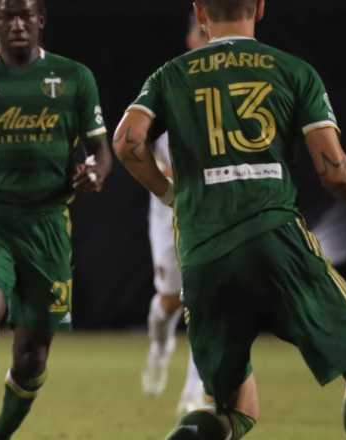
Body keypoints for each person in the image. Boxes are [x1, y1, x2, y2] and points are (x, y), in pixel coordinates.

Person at [113, 1, 346, 439]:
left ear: (199, 10)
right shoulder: (292, 70)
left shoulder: (170, 75)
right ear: (260, 8)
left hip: (204, 254)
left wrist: (171, 193)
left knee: (231, 411)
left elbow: (127, 143)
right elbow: (332, 170)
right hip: (274, 238)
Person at [0, 0, 112, 438]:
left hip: (48, 224)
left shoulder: (74, 78)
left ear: (41, 20)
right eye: (7, 16)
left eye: (26, 15)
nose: (17, 24)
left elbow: (101, 151)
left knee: (32, 358)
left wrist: (94, 173)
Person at [141, 14, 207, 415]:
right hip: (169, 207)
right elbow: (138, 142)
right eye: (202, 32)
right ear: (190, 36)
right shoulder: (170, 83)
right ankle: (159, 345)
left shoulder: (231, 84)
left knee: (204, 298)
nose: (209, 38)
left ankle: (195, 390)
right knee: (169, 301)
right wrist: (164, 177)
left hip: (211, 209)